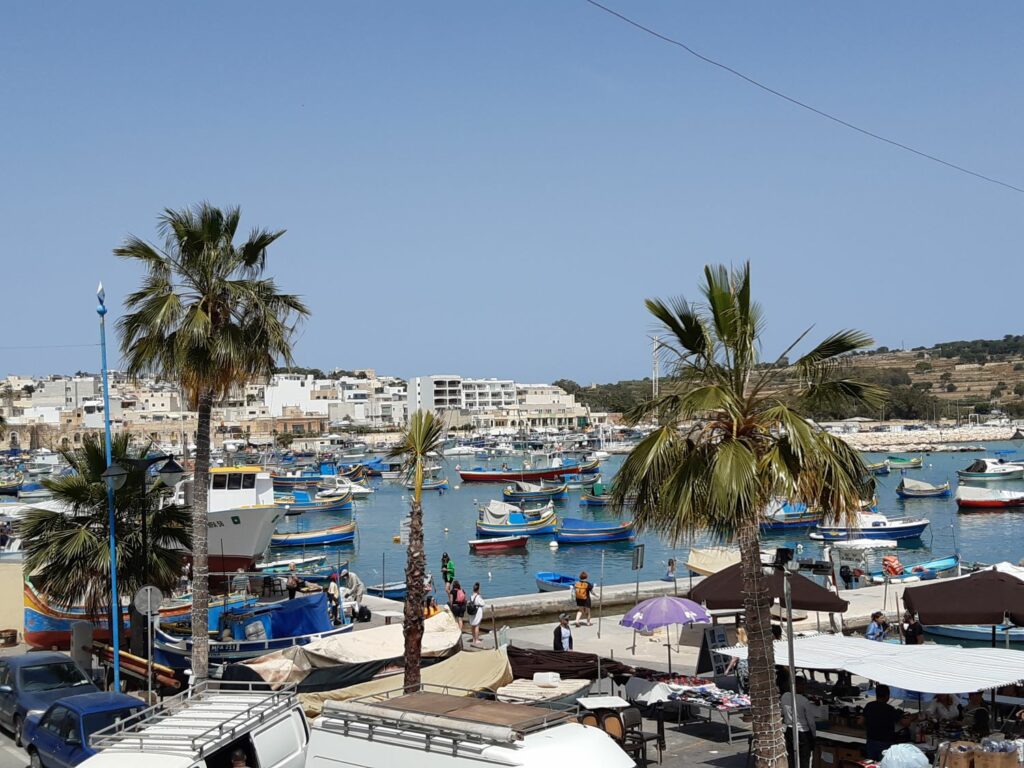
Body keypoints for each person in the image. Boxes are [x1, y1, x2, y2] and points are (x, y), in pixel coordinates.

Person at [860, 684, 911, 760]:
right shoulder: (890, 709)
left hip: (871, 741)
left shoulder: (869, 705)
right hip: (885, 743)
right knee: (883, 764)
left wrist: (868, 728)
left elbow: (860, 722)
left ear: (876, 694)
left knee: (871, 763)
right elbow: (905, 724)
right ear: (887, 695)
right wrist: (911, 717)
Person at [780, 676, 816, 768]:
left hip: (789, 731)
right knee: (804, 758)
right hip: (803, 732)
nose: (804, 687)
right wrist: (813, 735)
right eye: (802, 685)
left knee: (791, 757)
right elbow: (811, 721)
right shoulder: (804, 701)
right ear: (796, 686)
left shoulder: (784, 696)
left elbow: (782, 712)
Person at [724, 626, 749, 691]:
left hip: (741, 667)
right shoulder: (747, 644)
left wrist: (727, 669)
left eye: (736, 633)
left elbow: (734, 659)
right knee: (747, 684)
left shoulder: (738, 645)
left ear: (738, 634)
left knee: (741, 685)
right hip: (748, 666)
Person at [468, 582, 485, 646]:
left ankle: (473, 639)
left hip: (472, 612)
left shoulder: (471, 596)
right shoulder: (478, 597)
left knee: (472, 625)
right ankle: (477, 639)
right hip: (477, 612)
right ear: (478, 589)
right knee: (477, 625)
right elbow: (483, 603)